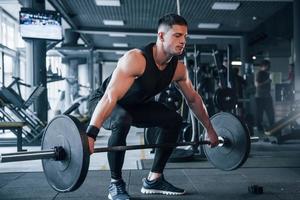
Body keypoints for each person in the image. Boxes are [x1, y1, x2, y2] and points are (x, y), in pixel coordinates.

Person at [86, 13, 219, 200]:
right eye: (177, 35)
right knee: (122, 118)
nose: (183, 41)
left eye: (185, 37)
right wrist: (91, 134)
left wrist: (210, 130)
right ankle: (115, 183)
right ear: (161, 36)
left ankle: (154, 179)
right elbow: (110, 97)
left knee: (173, 120)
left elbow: (194, 100)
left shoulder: (178, 69)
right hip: (104, 102)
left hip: (137, 106)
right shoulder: (136, 59)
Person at [255, 59, 275, 131]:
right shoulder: (260, 73)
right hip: (260, 97)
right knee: (260, 114)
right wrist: (267, 82)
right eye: (268, 66)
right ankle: (260, 128)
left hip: (267, 96)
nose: (269, 67)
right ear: (264, 66)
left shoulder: (267, 73)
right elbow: (257, 84)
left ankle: (273, 127)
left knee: (270, 113)